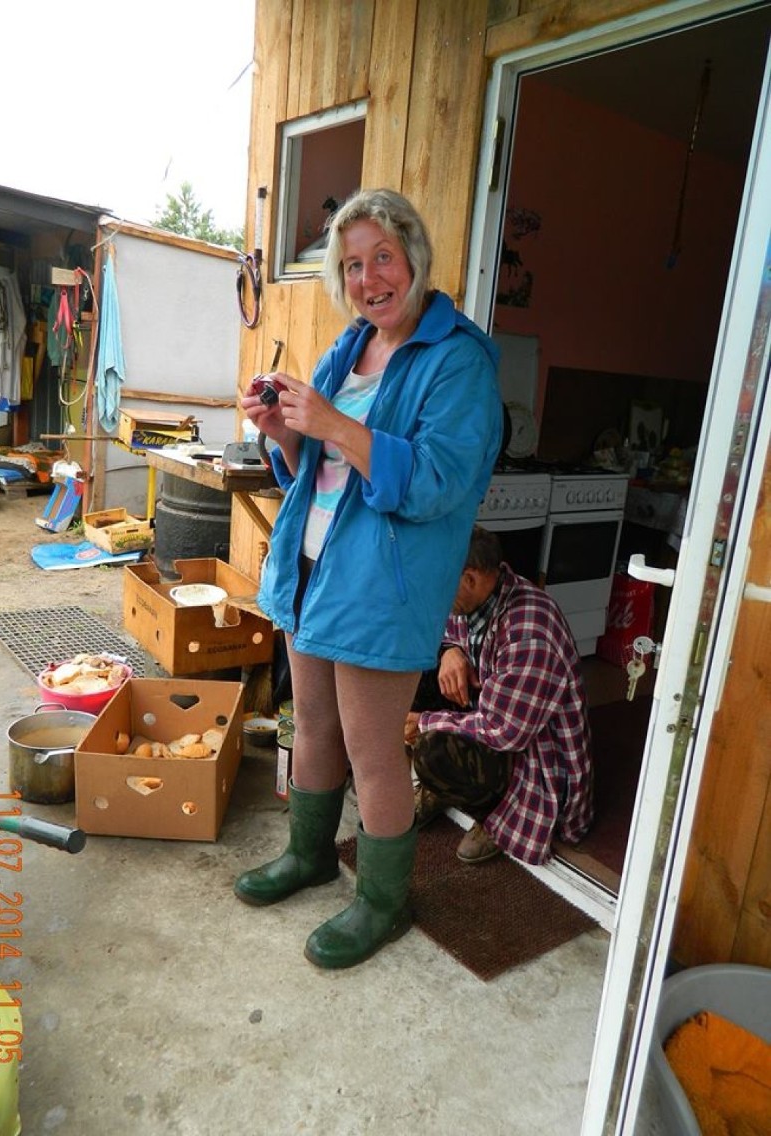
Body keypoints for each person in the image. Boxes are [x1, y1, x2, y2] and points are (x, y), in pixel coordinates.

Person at [232, 188, 503, 969]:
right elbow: (309, 475)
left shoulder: (460, 360)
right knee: (311, 724)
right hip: (314, 565)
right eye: (351, 264)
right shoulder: (349, 347)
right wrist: (285, 432)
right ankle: (311, 855)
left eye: (381, 256)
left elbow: (440, 481)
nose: (368, 277)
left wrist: (334, 424)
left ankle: (384, 901)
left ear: (414, 256)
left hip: (384, 582)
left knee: (375, 749)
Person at [405, 526, 594, 866]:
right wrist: (451, 651)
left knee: (433, 748)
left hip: (533, 762)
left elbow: (505, 730)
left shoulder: (530, 629)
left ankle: (495, 815)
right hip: (493, 716)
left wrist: (424, 722)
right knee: (416, 664)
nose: (433, 593)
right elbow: (445, 631)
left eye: (440, 581)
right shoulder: (478, 595)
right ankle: (443, 788)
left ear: (470, 578)